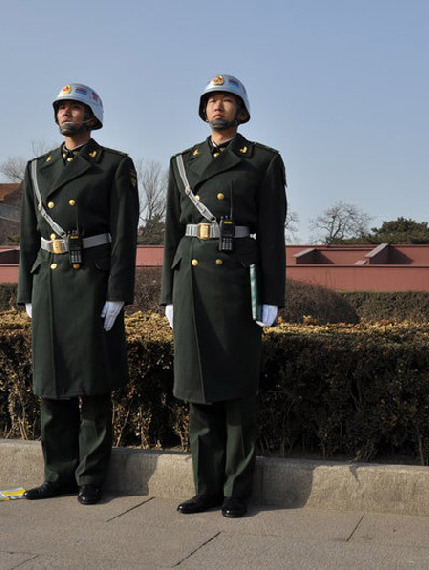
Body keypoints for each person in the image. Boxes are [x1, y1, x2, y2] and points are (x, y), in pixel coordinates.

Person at [161, 74, 287, 518]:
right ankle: (206, 487)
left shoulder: (263, 161)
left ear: (241, 110)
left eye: (227, 100)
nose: (218, 106)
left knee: (236, 391)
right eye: (212, 100)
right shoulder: (181, 162)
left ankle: (237, 490)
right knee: (198, 390)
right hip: (191, 281)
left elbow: (272, 233)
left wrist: (272, 294)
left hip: (237, 281)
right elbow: (172, 234)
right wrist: (167, 295)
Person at [17, 83, 139, 505]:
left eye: (75, 107)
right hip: (49, 283)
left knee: (93, 386)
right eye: (62, 108)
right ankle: (57, 475)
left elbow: (124, 236)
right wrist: (26, 291)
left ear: (92, 117)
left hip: (91, 282)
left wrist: (118, 292)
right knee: (51, 387)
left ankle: (91, 478)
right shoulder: (36, 168)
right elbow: (27, 238)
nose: (66, 113)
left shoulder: (113, 165)